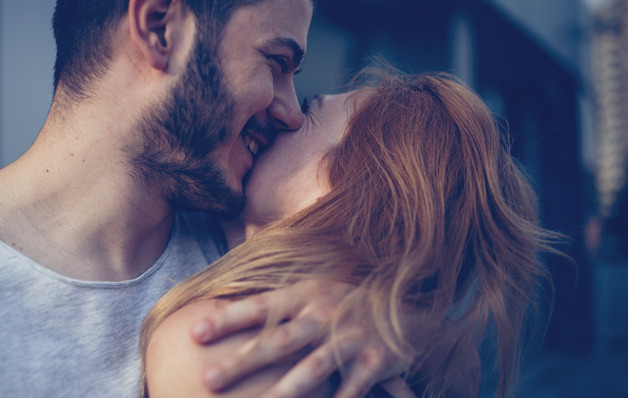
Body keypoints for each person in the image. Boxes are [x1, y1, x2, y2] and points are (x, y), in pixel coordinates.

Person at [0, 0, 403, 396]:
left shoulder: (249, 240)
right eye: (277, 62)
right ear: (160, 24)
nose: (288, 110)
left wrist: (390, 320)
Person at [140, 71, 561, 397]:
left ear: (348, 184)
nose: (283, 115)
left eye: (311, 111)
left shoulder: (227, 350)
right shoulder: (390, 353)